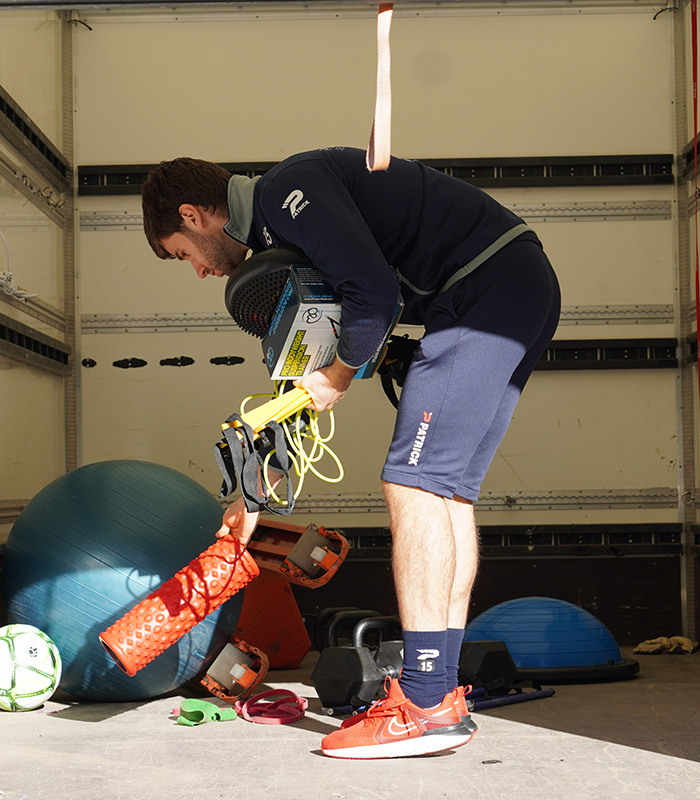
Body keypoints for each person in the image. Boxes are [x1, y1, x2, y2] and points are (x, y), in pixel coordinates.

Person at [140, 147, 561, 759]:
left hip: (483, 288)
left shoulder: (289, 194)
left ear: (194, 215)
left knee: (413, 484)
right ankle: (440, 691)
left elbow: (372, 295)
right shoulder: (283, 232)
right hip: (507, 286)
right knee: (447, 492)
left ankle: (422, 703)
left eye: (184, 254)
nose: (200, 272)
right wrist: (253, 496)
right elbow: (311, 368)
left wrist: (338, 375)